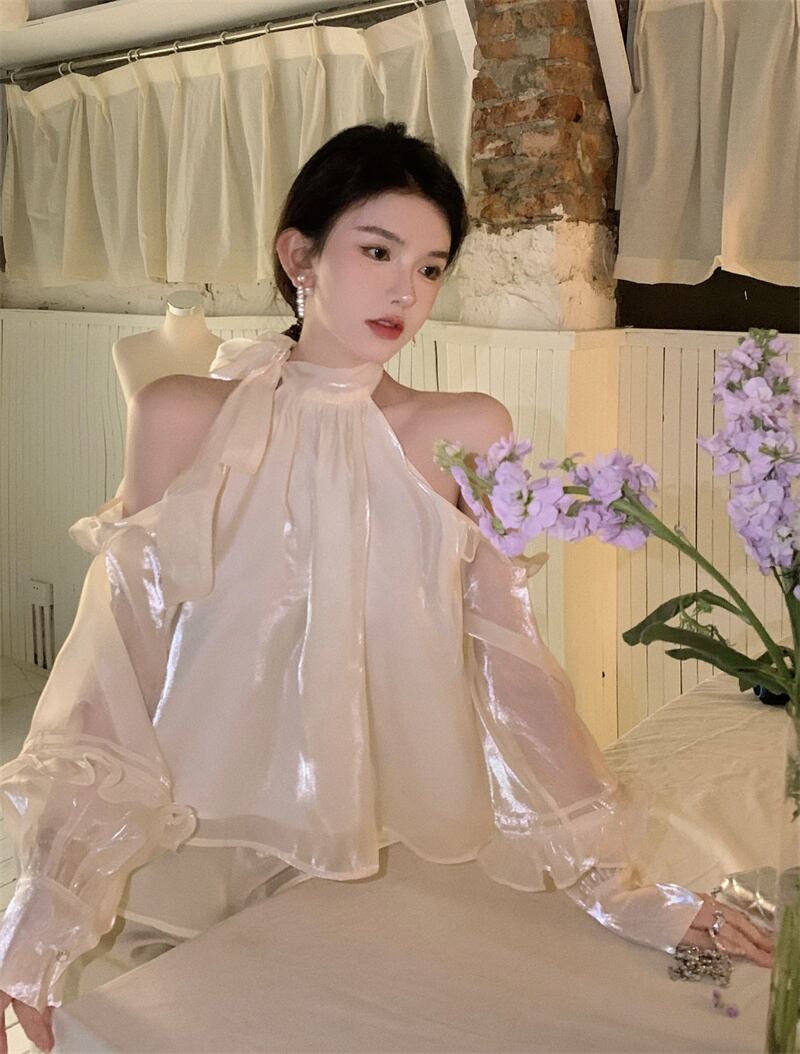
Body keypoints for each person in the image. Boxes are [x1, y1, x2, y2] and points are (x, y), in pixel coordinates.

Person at [0, 123, 773, 1054]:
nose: (407, 291)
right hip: (183, 840)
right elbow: (118, 661)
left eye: (431, 267)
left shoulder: (464, 431)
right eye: (378, 252)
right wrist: (44, 909)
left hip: (387, 836)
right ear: (300, 256)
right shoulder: (178, 413)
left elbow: (511, 668)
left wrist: (618, 887)